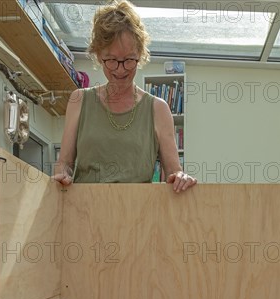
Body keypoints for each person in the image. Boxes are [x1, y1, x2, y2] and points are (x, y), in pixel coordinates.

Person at [54, 0, 197, 193]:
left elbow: (173, 172)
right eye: (112, 60)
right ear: (98, 55)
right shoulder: (79, 100)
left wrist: (181, 178)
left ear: (140, 54)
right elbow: (64, 164)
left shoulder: (158, 109)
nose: (121, 70)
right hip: (84, 213)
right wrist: (62, 175)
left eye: (129, 60)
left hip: (138, 216)